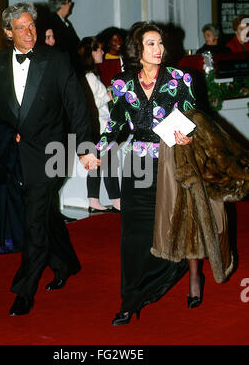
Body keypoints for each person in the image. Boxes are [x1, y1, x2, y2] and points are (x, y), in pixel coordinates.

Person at [95, 21, 245, 325]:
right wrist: (96, 150)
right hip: (138, 166)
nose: (158, 49)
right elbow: (116, 124)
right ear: (138, 49)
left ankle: (192, 275)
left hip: (173, 161)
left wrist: (185, 134)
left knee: (184, 223)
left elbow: (193, 116)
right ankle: (130, 299)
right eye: (151, 44)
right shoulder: (123, 84)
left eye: (160, 43)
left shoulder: (180, 79)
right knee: (133, 236)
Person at [0, 2, 99, 316]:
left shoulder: (56, 60)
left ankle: (24, 290)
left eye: (32, 26)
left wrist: (85, 148)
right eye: (21, 27)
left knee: (33, 217)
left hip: (51, 152)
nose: (29, 33)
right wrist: (6, 131)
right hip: (14, 152)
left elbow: (77, 108)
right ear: (8, 32)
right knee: (43, 213)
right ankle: (66, 264)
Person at [78, 36, 121, 213]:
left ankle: (94, 200)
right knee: (109, 164)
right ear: (91, 53)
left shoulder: (91, 76)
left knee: (98, 164)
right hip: (99, 127)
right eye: (99, 49)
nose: (102, 52)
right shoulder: (89, 77)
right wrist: (109, 95)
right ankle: (116, 200)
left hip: (99, 126)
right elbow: (92, 102)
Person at [47, 0, 80, 68]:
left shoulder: (66, 22)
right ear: (62, 5)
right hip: (61, 64)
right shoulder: (53, 23)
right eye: (69, 2)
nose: (70, 5)